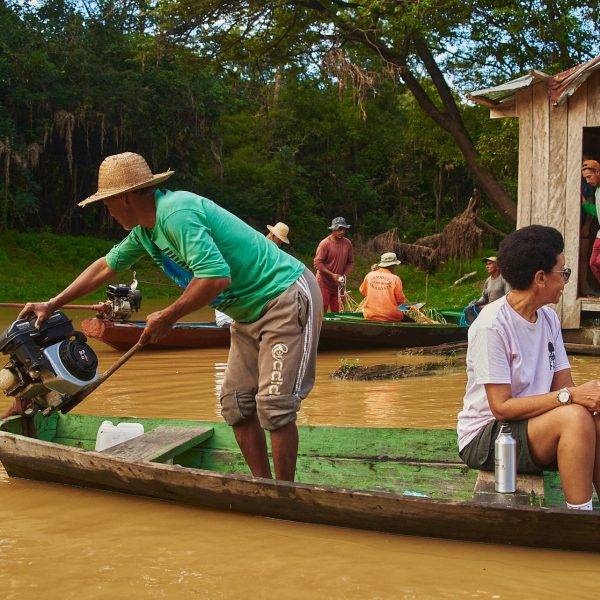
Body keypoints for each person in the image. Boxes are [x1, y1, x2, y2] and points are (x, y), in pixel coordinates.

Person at [17, 152, 323, 482]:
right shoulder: (145, 233)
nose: (107, 211)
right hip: (246, 315)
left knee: (274, 406)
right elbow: (105, 267)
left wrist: (168, 316)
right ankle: (262, 487)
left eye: (107, 203)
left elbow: (215, 278)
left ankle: (284, 493)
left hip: (283, 296)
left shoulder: (177, 213)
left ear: (124, 198)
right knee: (235, 405)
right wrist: (53, 303)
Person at [457, 224, 600, 511]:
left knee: (595, 416)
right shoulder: (492, 325)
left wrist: (587, 398)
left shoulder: (548, 318)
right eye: (563, 273)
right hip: (488, 437)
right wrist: (571, 397)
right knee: (574, 418)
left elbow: (564, 386)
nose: (565, 281)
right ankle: (580, 519)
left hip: (533, 424)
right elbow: (501, 407)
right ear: (540, 278)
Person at [215, 221, 291, 326]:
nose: (280, 243)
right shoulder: (264, 246)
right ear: (274, 236)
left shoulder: (266, 246)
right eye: (280, 241)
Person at [313, 217, 354, 312]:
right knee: (322, 309)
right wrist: (332, 275)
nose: (342, 232)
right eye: (339, 229)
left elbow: (350, 262)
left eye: (344, 229)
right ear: (333, 229)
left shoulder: (347, 243)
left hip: (338, 284)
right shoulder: (325, 243)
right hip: (324, 283)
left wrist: (344, 276)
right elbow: (317, 263)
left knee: (339, 310)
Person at [359, 252, 406, 322]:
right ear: (392, 265)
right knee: (409, 320)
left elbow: (363, 291)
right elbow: (400, 300)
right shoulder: (395, 279)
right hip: (391, 316)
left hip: (370, 315)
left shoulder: (369, 275)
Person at [581, 159, 600, 283]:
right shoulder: (597, 190)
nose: (587, 181)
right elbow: (597, 211)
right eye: (585, 178)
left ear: (597, 172)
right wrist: (584, 202)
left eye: (589, 177)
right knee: (593, 263)